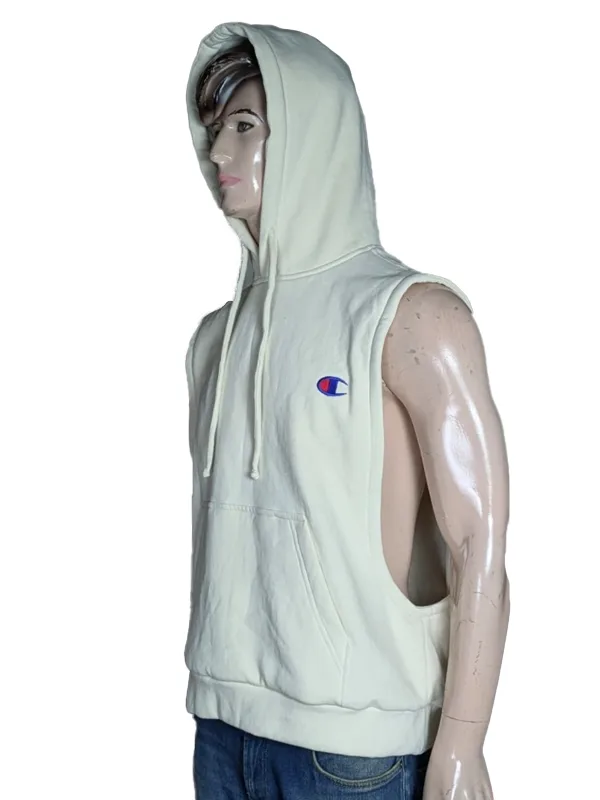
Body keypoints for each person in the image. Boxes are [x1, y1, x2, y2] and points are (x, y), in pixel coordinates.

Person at [183, 22, 509, 800]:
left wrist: (462, 744)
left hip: (356, 754)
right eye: (215, 128)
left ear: (315, 135)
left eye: (246, 125)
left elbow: (479, 544)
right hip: (221, 730)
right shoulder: (215, 339)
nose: (219, 151)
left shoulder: (410, 317)